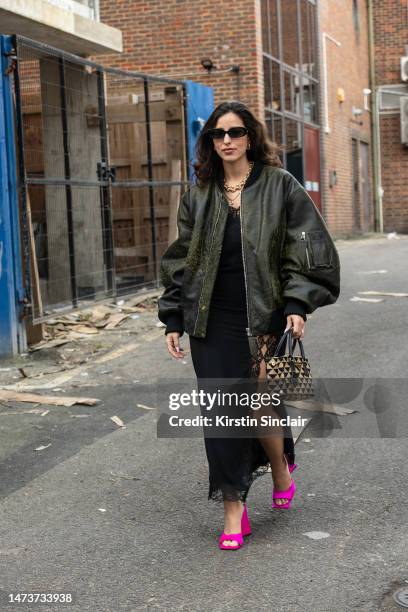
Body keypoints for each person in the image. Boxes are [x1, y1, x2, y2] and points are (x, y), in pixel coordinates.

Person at [158, 101, 340, 550]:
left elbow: (309, 248)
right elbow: (179, 259)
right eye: (217, 135)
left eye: (235, 133)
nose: (226, 141)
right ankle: (233, 507)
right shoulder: (199, 194)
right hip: (211, 318)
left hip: (264, 313)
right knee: (221, 411)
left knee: (258, 404)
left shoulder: (280, 186)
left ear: (250, 137)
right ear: (209, 142)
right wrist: (173, 317)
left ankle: (279, 465)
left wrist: (298, 303)